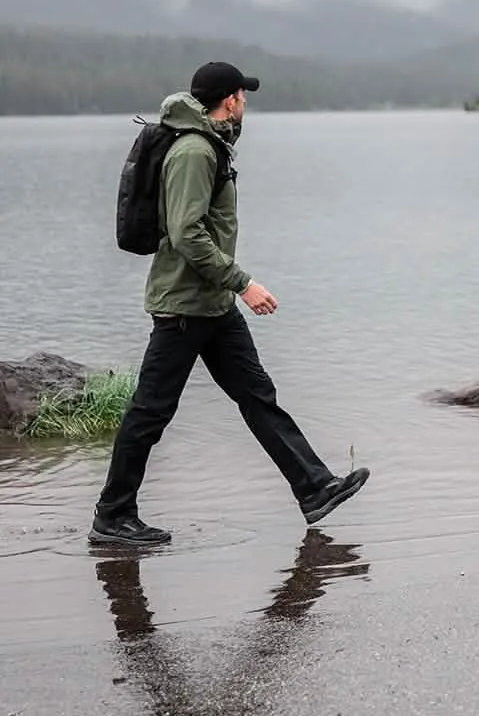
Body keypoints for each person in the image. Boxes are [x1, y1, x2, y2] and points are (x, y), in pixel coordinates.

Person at [90, 62, 369, 546]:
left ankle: (314, 487)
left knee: (257, 395)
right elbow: (186, 233)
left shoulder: (209, 144)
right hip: (183, 306)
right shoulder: (195, 151)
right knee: (150, 413)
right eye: (244, 95)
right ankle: (113, 516)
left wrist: (228, 291)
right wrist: (244, 283)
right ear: (231, 99)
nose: (246, 104)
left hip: (212, 306)